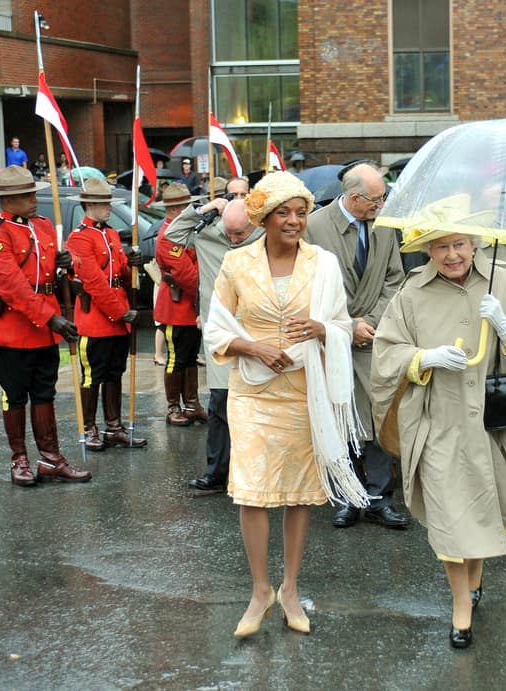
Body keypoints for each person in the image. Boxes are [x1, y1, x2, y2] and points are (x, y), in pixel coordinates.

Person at [371, 221, 506, 649]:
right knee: (450, 517)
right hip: (438, 423)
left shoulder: (505, 282)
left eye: (459, 244)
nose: (452, 254)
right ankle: (461, 607)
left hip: (493, 424)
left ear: (473, 244)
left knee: (477, 515)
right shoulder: (412, 292)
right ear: (428, 251)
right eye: (441, 247)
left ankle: (474, 580)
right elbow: (386, 353)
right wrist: (423, 357)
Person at [203, 170, 367, 638]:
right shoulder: (237, 265)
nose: (295, 221)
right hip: (252, 394)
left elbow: (340, 323)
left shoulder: (324, 264)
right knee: (252, 492)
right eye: (284, 213)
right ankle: (260, 591)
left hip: (303, 392)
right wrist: (254, 348)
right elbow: (216, 329)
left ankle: (290, 589)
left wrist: (323, 330)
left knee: (299, 494)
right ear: (264, 217)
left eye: (301, 212)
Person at [304, 163, 410, 529]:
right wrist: (347, 326)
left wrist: (372, 323)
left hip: (373, 338)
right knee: (341, 419)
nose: (382, 205)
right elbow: (305, 288)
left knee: (377, 419)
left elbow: (395, 279)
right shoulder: (315, 227)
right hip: (331, 339)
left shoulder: (383, 226)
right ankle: (348, 496)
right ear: (352, 197)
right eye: (376, 199)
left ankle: (380, 498)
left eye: (383, 198)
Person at [0, 165, 91, 486]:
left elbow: (55, 269)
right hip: (13, 330)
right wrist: (52, 319)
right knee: (15, 396)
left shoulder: (42, 226)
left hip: (44, 326)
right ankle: (19, 460)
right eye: (26, 195)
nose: (33, 199)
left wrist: (68, 265)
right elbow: (13, 287)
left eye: (33, 193)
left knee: (45, 393)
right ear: (8, 199)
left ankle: (51, 458)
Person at [163, 178, 265, 492]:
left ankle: (256, 470)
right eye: (231, 232)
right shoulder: (208, 232)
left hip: (254, 329)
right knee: (220, 401)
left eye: (241, 233)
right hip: (219, 330)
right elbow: (172, 236)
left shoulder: (261, 235)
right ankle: (217, 471)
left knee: (256, 403)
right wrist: (202, 210)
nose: (235, 239)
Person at [64, 178, 148, 451]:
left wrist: (131, 264)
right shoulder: (78, 238)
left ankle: (114, 426)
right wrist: (122, 312)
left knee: (115, 372)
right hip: (96, 318)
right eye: (103, 203)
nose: (108, 207)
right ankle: (89, 428)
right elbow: (93, 282)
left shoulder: (111, 233)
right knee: (93, 375)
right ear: (89, 204)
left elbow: (119, 271)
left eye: (109, 202)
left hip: (118, 314)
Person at [153, 183, 203, 426]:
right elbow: (186, 275)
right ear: (176, 210)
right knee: (176, 358)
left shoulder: (188, 230)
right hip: (178, 304)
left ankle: (192, 403)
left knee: (191, 356)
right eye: (186, 207)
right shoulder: (168, 235)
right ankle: (173, 407)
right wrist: (206, 293)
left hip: (191, 304)